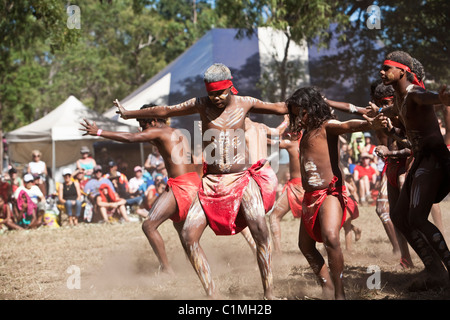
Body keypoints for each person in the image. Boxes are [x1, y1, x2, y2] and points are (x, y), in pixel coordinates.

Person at [114, 63, 286, 299]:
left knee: (260, 231)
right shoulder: (200, 104)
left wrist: (309, 105)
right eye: (211, 93)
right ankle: (212, 295)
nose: (215, 98)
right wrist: (129, 113)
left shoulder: (245, 102)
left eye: (220, 93)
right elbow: (165, 111)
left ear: (230, 87)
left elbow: (279, 107)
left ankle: (269, 294)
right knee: (188, 236)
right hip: (211, 183)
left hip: (241, 180)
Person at [286, 86, 386, 299]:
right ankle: (327, 285)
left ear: (312, 108)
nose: (300, 118)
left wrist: (370, 123)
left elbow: (347, 125)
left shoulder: (326, 126)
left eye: (302, 113)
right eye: (296, 115)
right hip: (310, 196)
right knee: (305, 246)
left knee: (331, 238)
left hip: (330, 193)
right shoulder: (305, 132)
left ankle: (339, 294)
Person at [80, 104, 201, 275]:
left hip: (181, 185)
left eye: (142, 122)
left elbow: (131, 137)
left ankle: (167, 269)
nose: (141, 127)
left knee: (149, 226)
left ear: (153, 119)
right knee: (181, 228)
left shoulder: (158, 131)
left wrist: (99, 132)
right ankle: (196, 265)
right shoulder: (178, 132)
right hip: (193, 182)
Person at [375, 51, 450, 289]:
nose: (382, 72)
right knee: (398, 216)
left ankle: (444, 269)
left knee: (417, 217)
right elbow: (407, 139)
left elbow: (429, 98)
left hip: (433, 160)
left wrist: (442, 98)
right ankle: (434, 270)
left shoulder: (414, 93)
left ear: (402, 72)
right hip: (421, 160)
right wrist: (387, 128)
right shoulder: (398, 99)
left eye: (387, 68)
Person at [268, 130, 304, 255]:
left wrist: (257, 132)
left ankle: (278, 253)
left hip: (296, 187)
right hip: (311, 186)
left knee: (274, 216)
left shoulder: (291, 144)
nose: (288, 135)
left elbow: (272, 143)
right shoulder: (312, 142)